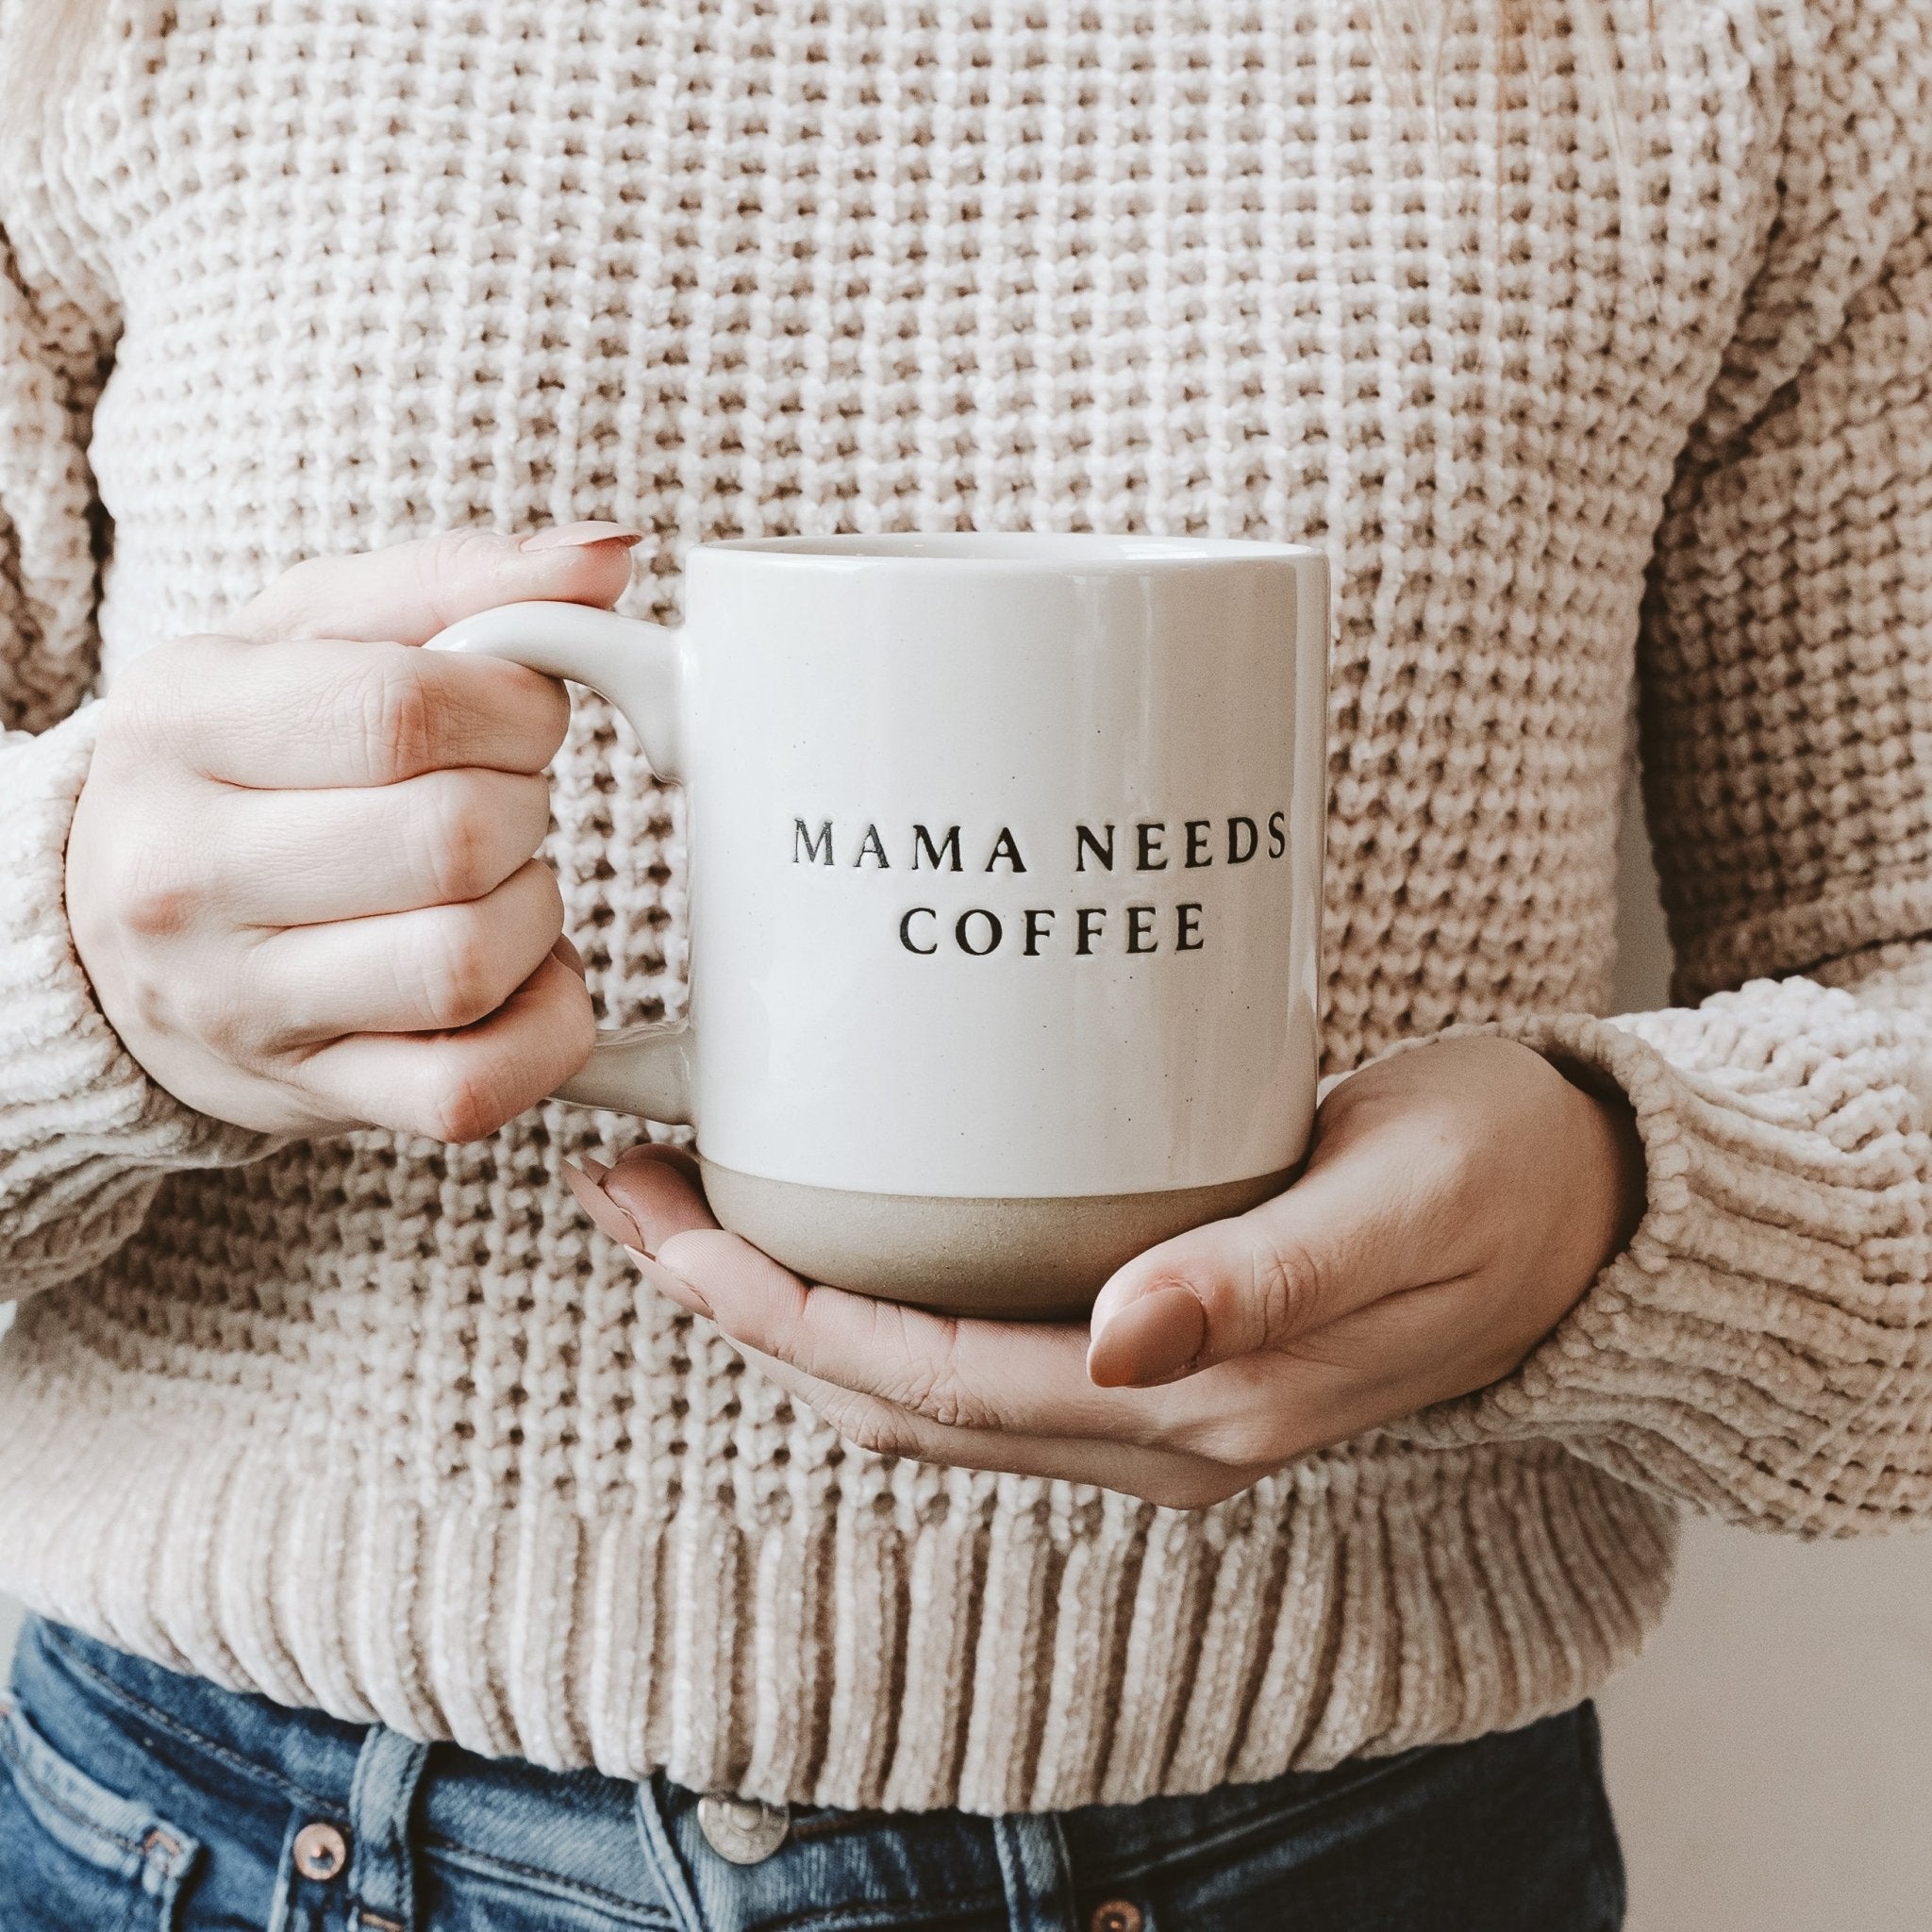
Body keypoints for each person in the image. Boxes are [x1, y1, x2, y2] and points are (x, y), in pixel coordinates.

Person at [1, 1, 1927, 1926]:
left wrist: (1609, 1204)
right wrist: (78, 969)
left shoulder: (1764, 42)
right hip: (215, 1835)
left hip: (1345, 1854)